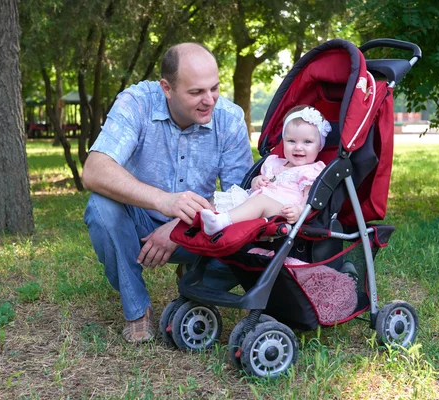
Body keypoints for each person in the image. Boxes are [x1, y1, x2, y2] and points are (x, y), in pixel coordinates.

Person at [82, 43, 253, 343]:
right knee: (101, 208)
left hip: (195, 227)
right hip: (139, 222)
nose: (209, 100)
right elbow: (94, 169)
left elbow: (240, 194)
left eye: (214, 88)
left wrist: (181, 224)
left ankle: (193, 287)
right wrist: (165, 201)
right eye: (196, 92)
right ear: (167, 88)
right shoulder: (137, 102)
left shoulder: (230, 118)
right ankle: (137, 309)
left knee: (248, 236)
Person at [201, 105, 330, 235]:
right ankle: (203, 220)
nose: (298, 147)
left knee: (261, 200)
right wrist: (256, 181)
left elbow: (311, 197)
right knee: (223, 198)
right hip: (257, 201)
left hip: (283, 209)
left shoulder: (311, 170)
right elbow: (257, 186)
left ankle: (220, 222)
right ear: (283, 142)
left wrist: (299, 210)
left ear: (320, 145)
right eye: (291, 141)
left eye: (307, 142)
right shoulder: (274, 162)